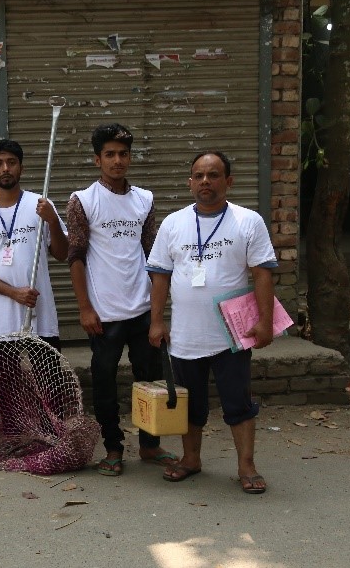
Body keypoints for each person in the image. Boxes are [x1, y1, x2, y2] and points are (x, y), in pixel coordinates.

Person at [147, 151, 277, 494]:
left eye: (214, 175)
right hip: (186, 335)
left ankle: (246, 466)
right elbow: (159, 277)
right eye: (199, 176)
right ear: (190, 182)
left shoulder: (248, 221)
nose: (206, 181)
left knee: (239, 402)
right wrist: (156, 322)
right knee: (191, 402)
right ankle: (191, 459)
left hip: (232, 334)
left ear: (228, 181)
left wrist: (265, 323)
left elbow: (263, 274)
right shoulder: (173, 224)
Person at [66, 123, 177, 477]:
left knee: (149, 379)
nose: (118, 161)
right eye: (110, 154)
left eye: (123, 154)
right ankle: (113, 448)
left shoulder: (144, 199)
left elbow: (154, 256)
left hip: (142, 309)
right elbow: (76, 257)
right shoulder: (83, 200)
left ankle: (149, 444)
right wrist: (85, 308)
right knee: (104, 382)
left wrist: (158, 314)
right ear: (97, 159)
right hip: (104, 313)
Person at [0, 139, 66, 346]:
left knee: (45, 378)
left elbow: (61, 253)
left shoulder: (41, 205)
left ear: (21, 167)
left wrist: (53, 221)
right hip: (0, 324)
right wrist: (14, 293)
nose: (5, 168)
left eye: (11, 162)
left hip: (41, 319)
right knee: (5, 379)